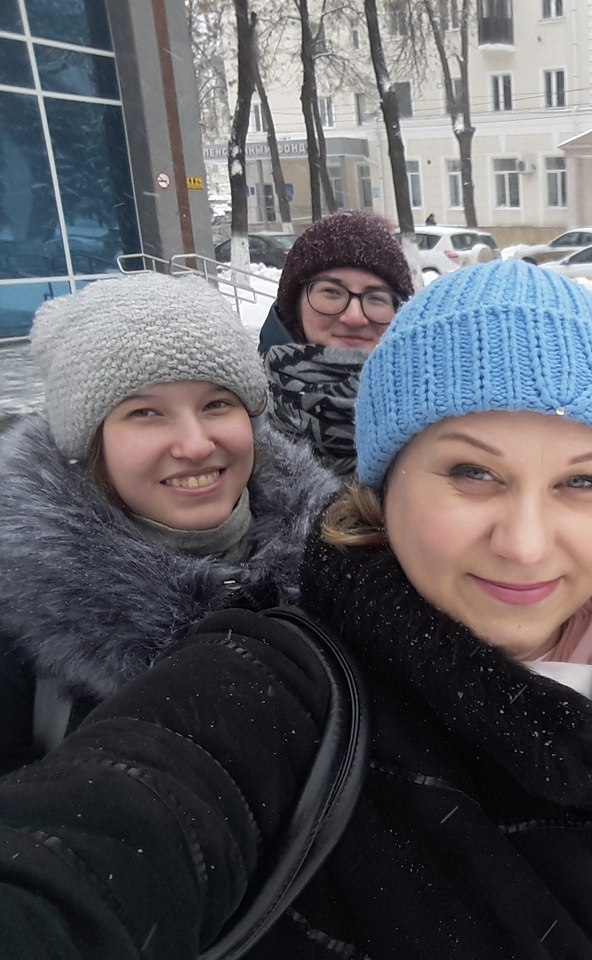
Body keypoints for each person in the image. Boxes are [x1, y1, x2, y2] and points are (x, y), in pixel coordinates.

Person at [0, 261, 592, 959]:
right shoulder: (289, 690)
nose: (527, 544)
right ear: (384, 485)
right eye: (472, 472)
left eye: (582, 482)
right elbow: (97, 843)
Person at [0, 272, 339, 774]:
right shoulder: (18, 634)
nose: (196, 445)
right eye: (145, 413)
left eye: (217, 404)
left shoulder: (339, 562)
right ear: (90, 442)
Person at [258, 209, 416, 476]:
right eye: (331, 292)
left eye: (376, 298)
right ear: (294, 305)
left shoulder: (437, 419)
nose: (354, 317)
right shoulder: (242, 416)